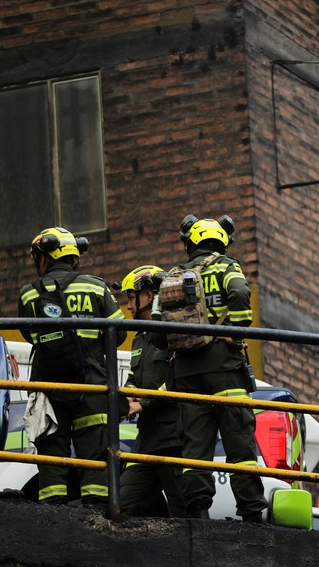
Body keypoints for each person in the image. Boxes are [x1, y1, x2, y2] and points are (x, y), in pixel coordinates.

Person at [164, 215, 267, 521]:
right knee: (239, 446)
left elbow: (157, 330)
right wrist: (234, 330)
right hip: (225, 368)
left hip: (186, 374)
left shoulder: (172, 274)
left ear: (190, 242)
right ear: (222, 241)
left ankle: (197, 513)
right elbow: (239, 294)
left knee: (195, 448)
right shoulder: (226, 266)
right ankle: (251, 513)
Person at [18, 227, 126, 507]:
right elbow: (120, 334)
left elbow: (29, 335)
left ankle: (53, 514)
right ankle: (97, 514)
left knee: (52, 452)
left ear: (46, 257)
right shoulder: (95, 286)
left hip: (48, 386)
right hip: (91, 385)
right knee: (94, 454)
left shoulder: (29, 294)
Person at [116, 265, 186, 518]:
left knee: (186, 511)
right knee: (121, 503)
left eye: (132, 298)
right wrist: (129, 394)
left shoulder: (173, 333)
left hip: (174, 438)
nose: (129, 306)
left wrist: (143, 403)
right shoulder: (140, 337)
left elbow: (178, 381)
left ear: (150, 296)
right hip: (146, 441)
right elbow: (135, 377)